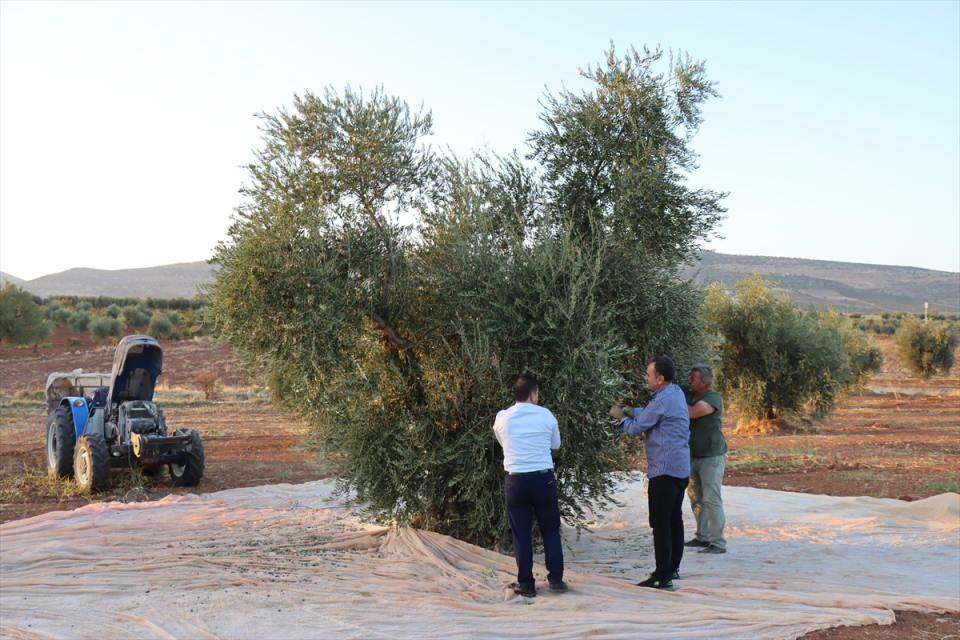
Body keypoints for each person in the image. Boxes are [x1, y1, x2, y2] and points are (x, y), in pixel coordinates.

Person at [609, 356, 690, 590]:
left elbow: (636, 428)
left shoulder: (662, 400)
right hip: (680, 467)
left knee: (661, 523)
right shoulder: (675, 394)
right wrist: (631, 410)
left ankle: (661, 576)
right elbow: (649, 414)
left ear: (660, 378)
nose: (646, 378)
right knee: (674, 519)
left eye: (648, 374)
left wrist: (620, 417)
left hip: (663, 470)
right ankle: (673, 568)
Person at [494, 375, 567, 598]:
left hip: (516, 480)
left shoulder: (502, 418)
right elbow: (556, 445)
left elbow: (501, 441)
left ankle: (526, 583)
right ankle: (555, 579)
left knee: (521, 533)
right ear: (533, 394)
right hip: (543, 478)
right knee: (550, 529)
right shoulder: (546, 415)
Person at [683, 364, 727, 554]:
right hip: (693, 454)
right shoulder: (687, 394)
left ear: (705, 382)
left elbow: (691, 413)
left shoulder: (713, 399)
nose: (689, 381)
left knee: (712, 499)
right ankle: (703, 536)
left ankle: (718, 543)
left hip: (712, 456)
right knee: (695, 496)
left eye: (693, 378)